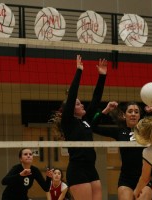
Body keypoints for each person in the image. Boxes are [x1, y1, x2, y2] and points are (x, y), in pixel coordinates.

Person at [92, 101, 152, 200]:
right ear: (124, 115)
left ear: (139, 116)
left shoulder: (147, 131)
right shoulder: (119, 131)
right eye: (130, 111)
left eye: (136, 112)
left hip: (145, 178)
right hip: (126, 179)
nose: (133, 114)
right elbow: (93, 127)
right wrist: (106, 110)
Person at [57, 55, 107, 200]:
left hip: (91, 168)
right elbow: (72, 96)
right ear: (71, 109)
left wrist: (102, 76)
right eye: (78, 104)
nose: (82, 105)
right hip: (77, 170)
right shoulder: (68, 122)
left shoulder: (85, 121)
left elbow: (96, 99)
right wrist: (79, 71)